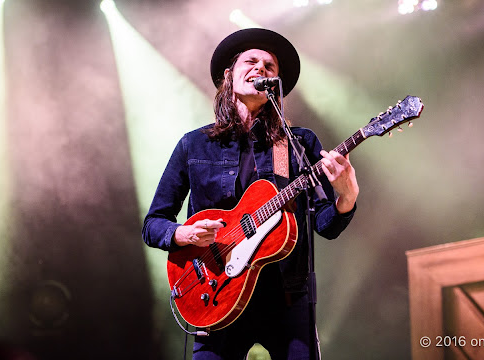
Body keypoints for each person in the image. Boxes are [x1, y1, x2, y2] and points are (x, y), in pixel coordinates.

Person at [141, 28, 359, 360]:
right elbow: (153, 223)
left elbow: (325, 226)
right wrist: (183, 233)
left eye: (270, 66)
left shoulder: (298, 144)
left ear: (276, 86)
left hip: (286, 297)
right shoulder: (194, 145)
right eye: (251, 61)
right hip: (215, 292)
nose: (261, 68)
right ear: (229, 76)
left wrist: (346, 198)